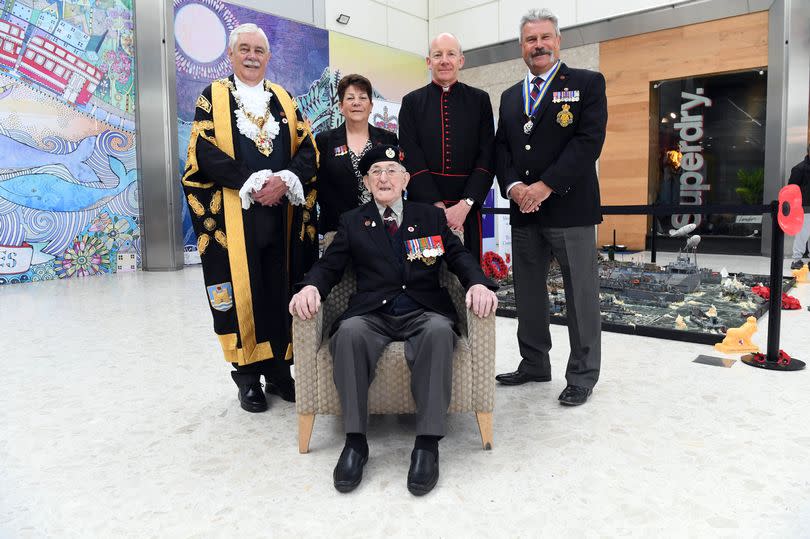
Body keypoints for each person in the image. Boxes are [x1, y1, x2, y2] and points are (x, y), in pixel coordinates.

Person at [289, 145, 498, 495]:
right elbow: (330, 266)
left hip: (423, 310)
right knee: (350, 334)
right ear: (368, 183)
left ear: (404, 180)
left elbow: (459, 255)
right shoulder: (353, 221)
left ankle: (427, 445)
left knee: (436, 332)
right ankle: (355, 442)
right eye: (376, 173)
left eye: (391, 171)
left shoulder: (430, 217)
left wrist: (477, 281)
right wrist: (311, 287)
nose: (384, 178)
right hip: (373, 313)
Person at [181, 23, 318, 413]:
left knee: (282, 290)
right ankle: (247, 379)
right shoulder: (213, 97)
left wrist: (286, 179)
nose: (252, 55)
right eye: (244, 49)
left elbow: (307, 148)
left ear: (269, 57)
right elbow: (203, 153)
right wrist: (252, 182)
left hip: (283, 217)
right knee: (243, 293)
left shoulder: (284, 99)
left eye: (259, 50)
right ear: (231, 54)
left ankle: (279, 371)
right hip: (234, 220)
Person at [493, 9, 606, 406]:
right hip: (524, 211)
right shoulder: (509, 97)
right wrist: (514, 186)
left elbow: (587, 144)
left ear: (558, 41)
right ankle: (534, 363)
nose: (537, 45)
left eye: (544, 37)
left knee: (581, 295)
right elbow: (502, 148)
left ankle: (583, 374)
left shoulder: (587, 84)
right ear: (521, 46)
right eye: (530, 39)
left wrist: (544, 186)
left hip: (570, 209)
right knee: (527, 293)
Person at [398, 33, 495, 263]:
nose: (444, 60)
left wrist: (466, 204)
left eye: (451, 54)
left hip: (466, 210)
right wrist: (436, 207)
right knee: (424, 276)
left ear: (461, 60)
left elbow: (487, 155)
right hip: (424, 208)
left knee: (466, 279)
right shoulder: (412, 102)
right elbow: (411, 156)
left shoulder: (480, 100)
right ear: (428, 62)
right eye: (437, 55)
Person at [315, 74, 398, 235]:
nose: (356, 103)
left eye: (362, 98)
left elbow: (395, 184)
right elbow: (320, 186)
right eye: (350, 98)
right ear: (340, 106)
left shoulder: (388, 139)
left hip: (381, 227)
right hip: (338, 228)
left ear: (371, 105)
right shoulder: (325, 140)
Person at [789, 143, 810, 270]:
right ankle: (796, 259)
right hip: (804, 207)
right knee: (802, 234)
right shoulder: (799, 168)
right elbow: (791, 189)